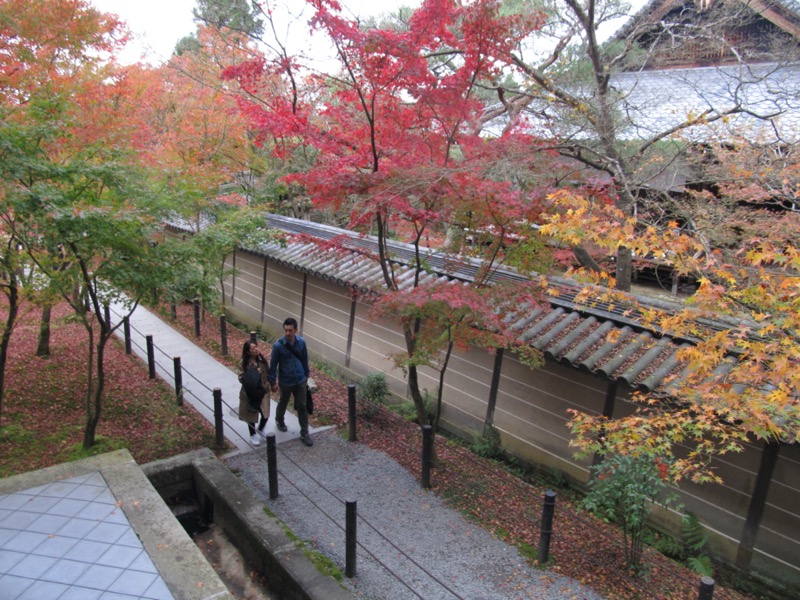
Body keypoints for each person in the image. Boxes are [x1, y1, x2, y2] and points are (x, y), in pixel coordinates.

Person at [268, 317, 313, 447]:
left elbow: (304, 358)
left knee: (302, 406)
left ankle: (304, 432)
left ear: (296, 330)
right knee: (283, 401)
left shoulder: (301, 343)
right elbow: (273, 364)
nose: (288, 333)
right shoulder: (278, 346)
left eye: (290, 330)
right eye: (286, 330)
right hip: (286, 380)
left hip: (300, 380)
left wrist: (306, 374)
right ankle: (279, 420)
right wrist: (273, 382)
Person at [238, 340, 270, 446]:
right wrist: (253, 374)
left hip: (263, 390)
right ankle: (252, 434)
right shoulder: (244, 362)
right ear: (248, 352)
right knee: (251, 414)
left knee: (265, 413)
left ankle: (260, 429)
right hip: (250, 392)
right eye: (253, 348)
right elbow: (241, 377)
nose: (256, 349)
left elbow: (267, 372)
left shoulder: (261, 359)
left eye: (256, 347)